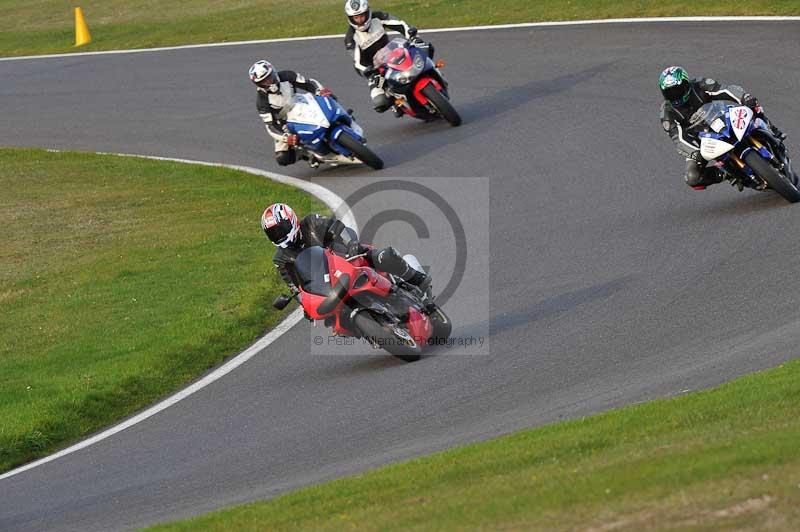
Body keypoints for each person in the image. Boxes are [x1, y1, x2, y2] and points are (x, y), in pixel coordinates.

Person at [261, 202, 431, 297]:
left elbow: (337, 228)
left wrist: (351, 245)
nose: (279, 235)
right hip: (329, 285)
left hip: (349, 257)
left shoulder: (311, 222)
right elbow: (295, 286)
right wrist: (304, 302)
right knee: (331, 319)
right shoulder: (281, 259)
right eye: (273, 233)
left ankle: (417, 278)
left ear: (291, 220)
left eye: (280, 229)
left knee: (384, 256)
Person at [658, 65, 787, 190]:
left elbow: (725, 90)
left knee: (752, 105)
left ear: (686, 84)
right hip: (701, 141)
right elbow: (678, 138)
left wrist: (744, 97)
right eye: (670, 92)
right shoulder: (667, 113)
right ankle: (727, 173)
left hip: (720, 118)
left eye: (678, 89)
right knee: (692, 177)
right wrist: (693, 152)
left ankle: (773, 130)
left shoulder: (699, 84)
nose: (675, 95)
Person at [343, 0, 433, 113]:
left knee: (425, 49)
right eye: (356, 17)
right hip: (375, 70)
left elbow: (400, 24)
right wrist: (370, 73)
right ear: (351, 18)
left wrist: (413, 37)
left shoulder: (378, 17)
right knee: (380, 102)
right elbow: (357, 62)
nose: (360, 20)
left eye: (362, 16)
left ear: (368, 12)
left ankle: (434, 71)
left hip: (394, 54)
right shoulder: (350, 39)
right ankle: (397, 105)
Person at [249, 60, 335, 167]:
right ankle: (309, 155)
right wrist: (286, 137)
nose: (268, 82)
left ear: (273, 72)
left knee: (328, 97)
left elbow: (307, 83)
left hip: (302, 104)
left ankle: (345, 118)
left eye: (269, 77)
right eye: (263, 81)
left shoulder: (286, 75)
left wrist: (320, 90)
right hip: (287, 122)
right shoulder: (262, 102)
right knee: (283, 158)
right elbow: (270, 126)